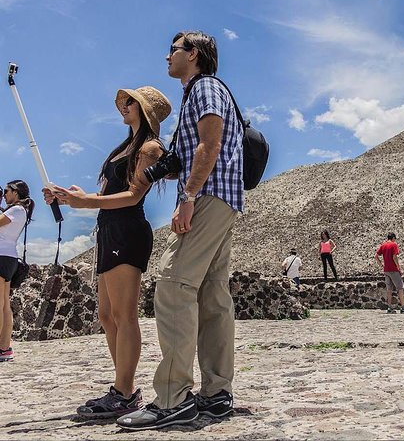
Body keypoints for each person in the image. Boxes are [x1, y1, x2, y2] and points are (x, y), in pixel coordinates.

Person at [118, 31, 243, 430]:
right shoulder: (206, 91)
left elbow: (210, 144)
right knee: (212, 296)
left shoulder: (204, 87)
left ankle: (173, 399)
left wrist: (187, 194)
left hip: (205, 196)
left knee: (172, 286)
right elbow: (197, 149)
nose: (166, 57)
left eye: (172, 50)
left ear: (193, 54)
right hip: (224, 198)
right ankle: (216, 393)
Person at [45, 87, 170, 417]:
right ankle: (123, 388)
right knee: (107, 315)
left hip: (127, 230)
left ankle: (124, 392)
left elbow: (132, 196)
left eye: (129, 102)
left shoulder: (150, 147)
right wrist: (70, 196)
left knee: (124, 314)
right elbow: (105, 194)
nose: (123, 106)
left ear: (143, 109)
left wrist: (86, 202)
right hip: (110, 231)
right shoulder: (124, 147)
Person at [0, 180, 34, 362]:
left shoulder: (16, 210)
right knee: (5, 305)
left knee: (1, 304)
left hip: (1, 256)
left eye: (6, 191)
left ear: (16, 192)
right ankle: (4, 348)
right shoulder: (21, 211)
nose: (4, 195)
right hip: (9, 257)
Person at [375, 232, 404, 314]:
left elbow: (376, 256)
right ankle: (403, 307)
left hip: (386, 270)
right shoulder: (394, 244)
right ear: (393, 238)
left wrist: (381, 265)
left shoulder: (383, 245)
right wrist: (399, 267)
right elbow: (394, 257)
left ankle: (389, 307)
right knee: (400, 288)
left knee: (389, 290)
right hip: (393, 269)